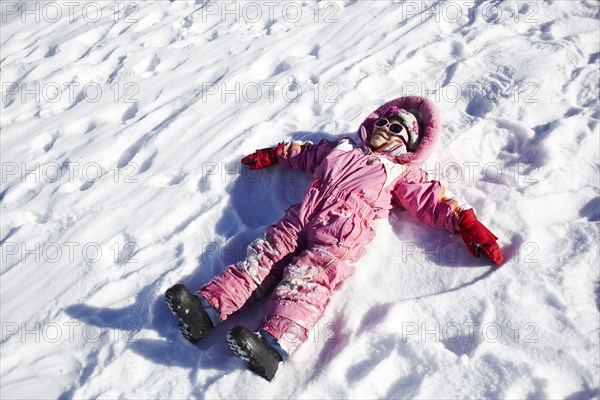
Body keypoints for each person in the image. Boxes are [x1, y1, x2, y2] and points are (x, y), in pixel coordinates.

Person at [165, 96, 503, 381]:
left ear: (409, 144)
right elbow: (305, 153)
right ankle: (206, 311)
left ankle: (272, 344)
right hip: (300, 217)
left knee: (306, 280)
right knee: (261, 259)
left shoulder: (402, 171)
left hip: (340, 236)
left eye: (396, 128)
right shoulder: (341, 148)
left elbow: (433, 201)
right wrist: (275, 154)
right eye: (384, 122)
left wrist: (466, 224)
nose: (385, 129)